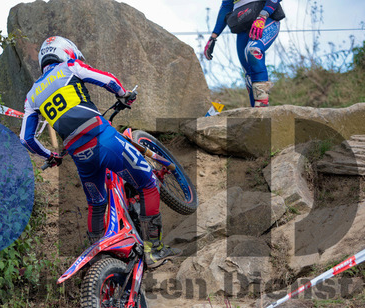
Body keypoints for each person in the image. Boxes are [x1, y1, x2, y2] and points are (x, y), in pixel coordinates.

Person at [19, 36, 181, 266]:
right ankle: (154, 250)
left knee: (96, 204)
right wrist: (123, 94)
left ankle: (98, 261)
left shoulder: (31, 96)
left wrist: (50, 156)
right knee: (148, 184)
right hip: (103, 139)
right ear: (66, 52)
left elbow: (26, 139)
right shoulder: (70, 66)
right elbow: (107, 79)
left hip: (79, 155)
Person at [204, 0, 284, 107]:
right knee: (248, 73)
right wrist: (213, 36)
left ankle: (262, 105)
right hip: (243, 25)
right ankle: (256, 111)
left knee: (253, 50)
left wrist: (263, 15)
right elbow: (226, 6)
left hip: (266, 19)